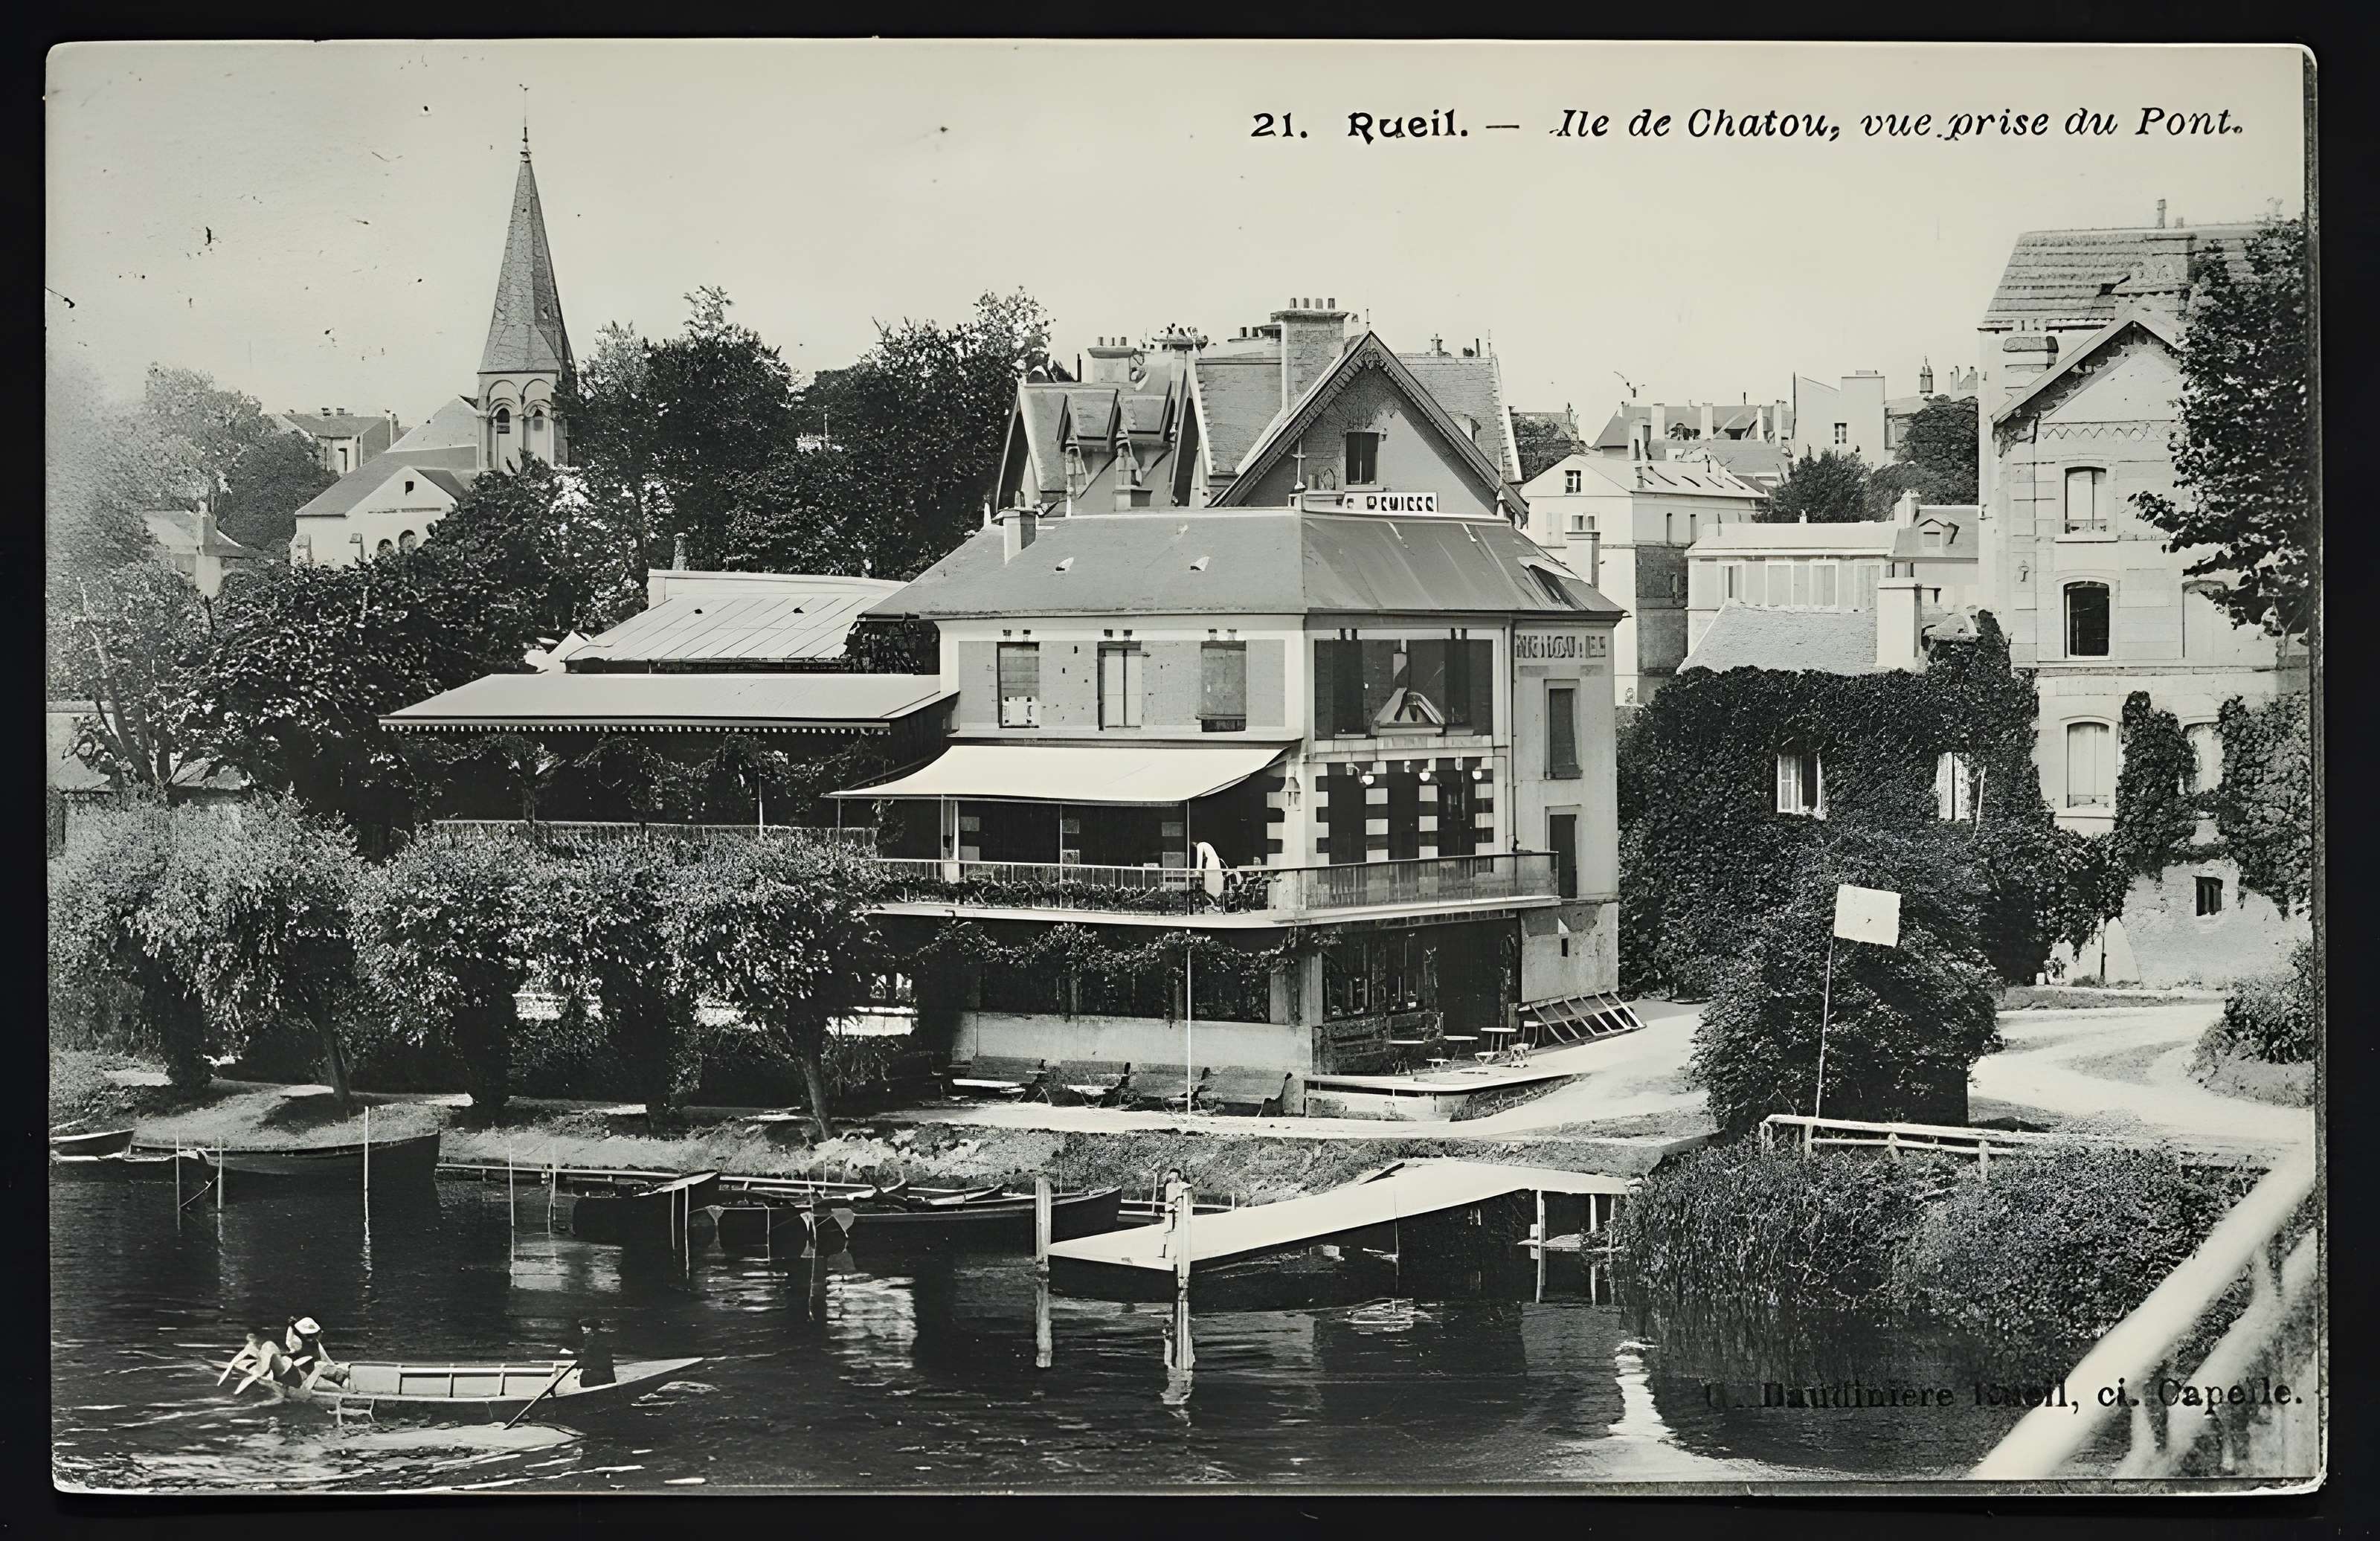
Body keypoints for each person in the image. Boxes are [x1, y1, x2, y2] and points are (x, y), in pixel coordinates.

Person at [285, 1316, 348, 1390]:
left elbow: (328, 1361)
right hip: (306, 1376)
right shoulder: (296, 1343)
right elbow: (290, 1341)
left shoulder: (317, 1345)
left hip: (320, 1372)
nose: (312, 1338)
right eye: (309, 1336)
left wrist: (335, 1368)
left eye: (314, 1335)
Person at [560, 1317, 616, 1388]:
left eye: (584, 1331)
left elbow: (589, 1356)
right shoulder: (600, 1338)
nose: (583, 1333)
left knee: (584, 1380)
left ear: (589, 1329)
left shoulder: (593, 1341)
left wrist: (575, 1363)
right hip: (607, 1372)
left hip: (599, 1373)